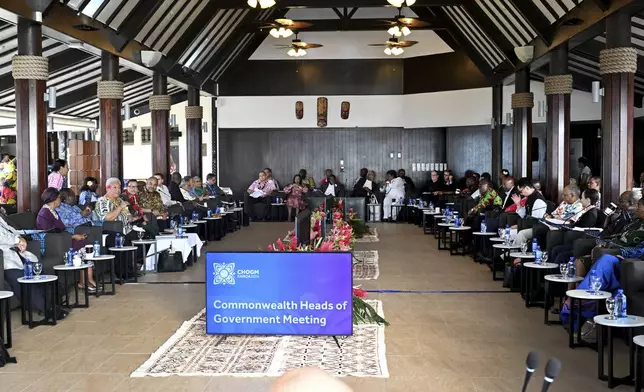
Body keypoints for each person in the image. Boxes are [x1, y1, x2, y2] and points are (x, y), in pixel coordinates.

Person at [0, 213, 68, 318]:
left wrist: (20, 238)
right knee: (23, 282)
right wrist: (17, 240)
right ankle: (46, 308)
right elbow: (2, 238)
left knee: (41, 275)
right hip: (5, 259)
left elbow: (11, 230)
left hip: (18, 253)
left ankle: (54, 302)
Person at [36, 187, 95, 291]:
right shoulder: (44, 213)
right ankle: (86, 280)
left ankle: (85, 279)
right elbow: (48, 234)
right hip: (52, 244)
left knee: (85, 243)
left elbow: (61, 228)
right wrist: (72, 236)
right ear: (54, 199)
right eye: (59, 197)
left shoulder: (53, 211)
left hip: (62, 239)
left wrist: (75, 235)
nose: (60, 199)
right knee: (81, 245)